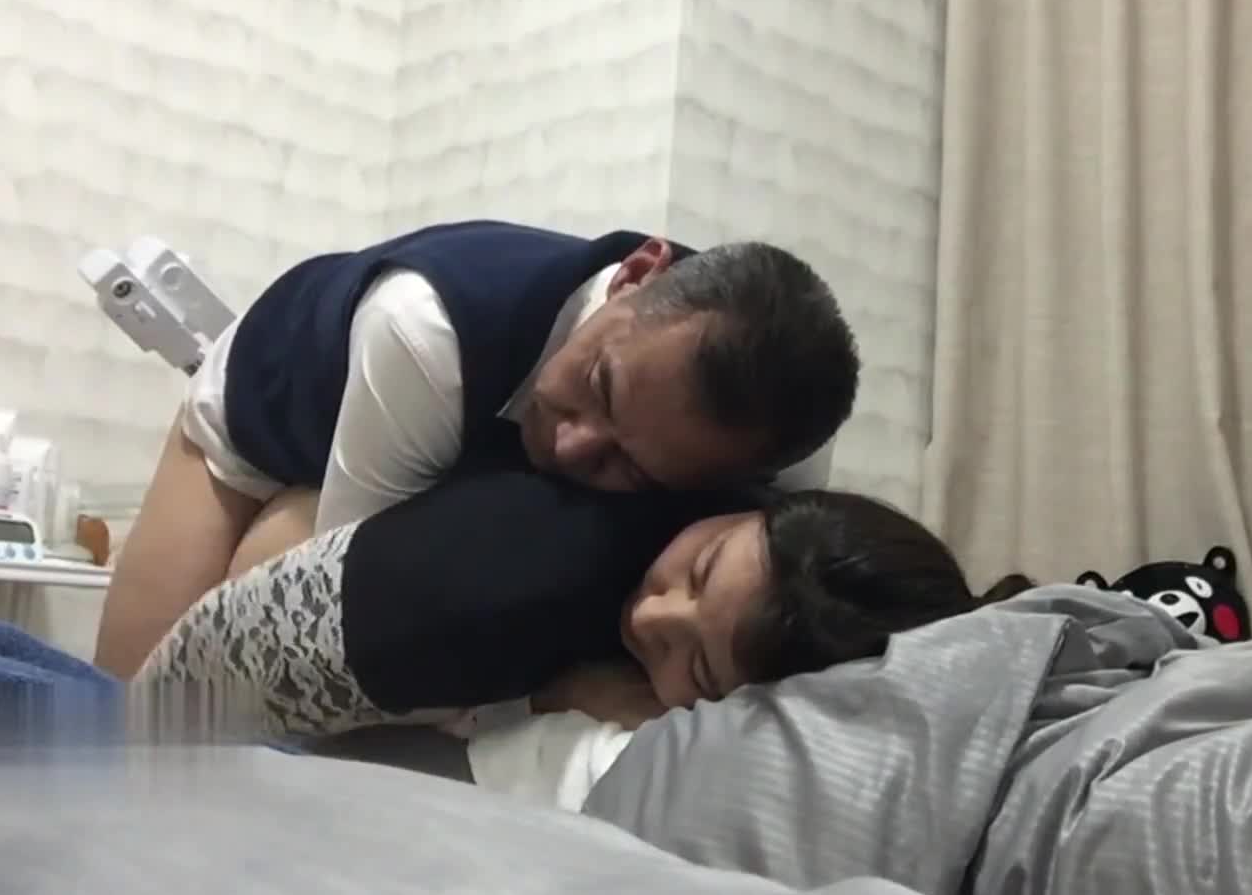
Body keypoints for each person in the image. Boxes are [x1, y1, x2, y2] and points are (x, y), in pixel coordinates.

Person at [96, 221, 861, 678]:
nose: (571, 443)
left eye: (628, 467)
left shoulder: (776, 456)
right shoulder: (426, 329)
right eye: (598, 384)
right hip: (271, 405)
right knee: (127, 720)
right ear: (635, 273)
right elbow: (339, 618)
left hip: (430, 454)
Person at [137, 472, 1034, 739]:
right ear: (763, 502)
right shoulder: (532, 579)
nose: (650, 619)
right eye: (698, 570)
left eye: (697, 667)